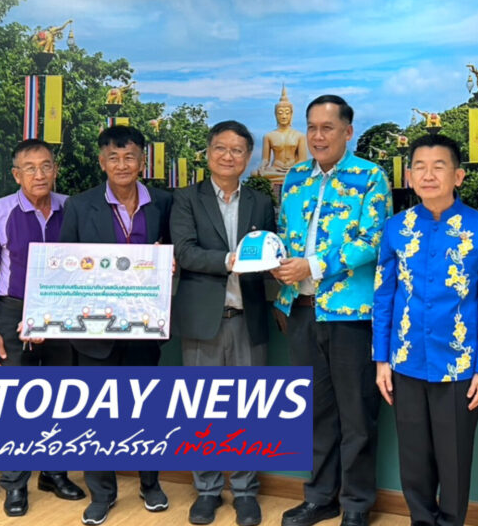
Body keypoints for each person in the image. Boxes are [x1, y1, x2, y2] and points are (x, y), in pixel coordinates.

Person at [373, 134, 478, 526]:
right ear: (409, 176)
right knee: (413, 460)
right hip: (405, 361)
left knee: (454, 460)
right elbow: (384, 297)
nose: (428, 175)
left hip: (460, 366)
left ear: (458, 176)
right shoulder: (395, 228)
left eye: (439, 166)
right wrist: (381, 360)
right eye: (420, 167)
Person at [273, 94, 392, 526]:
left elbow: (374, 239)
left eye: (327, 128)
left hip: (350, 315)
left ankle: (356, 504)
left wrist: (314, 265)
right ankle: (320, 497)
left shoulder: (370, 176)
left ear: (347, 131)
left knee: (356, 415)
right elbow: (283, 233)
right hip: (301, 311)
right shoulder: (294, 177)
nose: (318, 136)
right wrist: (276, 263)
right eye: (312, 127)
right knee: (315, 412)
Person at [59, 125, 173, 526]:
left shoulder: (164, 203)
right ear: (101, 162)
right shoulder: (80, 205)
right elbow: (66, 265)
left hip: (144, 325)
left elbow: (177, 251)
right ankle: (102, 494)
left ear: (142, 161)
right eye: (113, 157)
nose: (122, 165)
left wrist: (169, 259)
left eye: (129, 157)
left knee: (145, 410)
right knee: (96, 414)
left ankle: (150, 484)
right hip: (95, 329)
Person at [171, 120, 277, 526]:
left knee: (250, 410)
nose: (228, 156)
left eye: (237, 150)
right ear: (208, 153)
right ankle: (208, 490)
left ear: (248, 158)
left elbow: (270, 251)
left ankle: (246, 491)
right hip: (204, 320)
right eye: (220, 148)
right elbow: (185, 251)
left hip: (249, 318)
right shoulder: (186, 199)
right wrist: (229, 260)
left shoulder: (260, 202)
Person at [0, 138, 85, 517]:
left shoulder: (72, 208)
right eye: (30, 168)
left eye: (46, 166)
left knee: (61, 396)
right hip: (13, 310)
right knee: (15, 400)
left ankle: (54, 473)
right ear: (16, 174)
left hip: (63, 311)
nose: (40, 175)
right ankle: (15, 483)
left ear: (56, 170)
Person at [255, 85, 307, 186]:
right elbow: (265, 159)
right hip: (275, 169)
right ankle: (285, 177)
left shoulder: (300, 136)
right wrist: (262, 166)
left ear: (291, 115)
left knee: (306, 173)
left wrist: (293, 168)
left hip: (293, 168)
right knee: (255, 173)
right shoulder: (268, 136)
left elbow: (303, 160)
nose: (284, 116)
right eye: (280, 113)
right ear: (275, 115)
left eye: (287, 113)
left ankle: (286, 176)